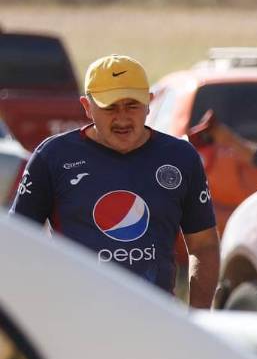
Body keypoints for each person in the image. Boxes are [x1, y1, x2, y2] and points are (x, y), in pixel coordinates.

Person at [9, 55, 218, 308]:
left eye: (132, 105)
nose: (122, 118)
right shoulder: (52, 157)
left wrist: (198, 319)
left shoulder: (180, 157)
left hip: (155, 323)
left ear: (149, 103)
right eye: (110, 107)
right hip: (75, 322)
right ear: (87, 106)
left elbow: (204, 245)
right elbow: (17, 241)